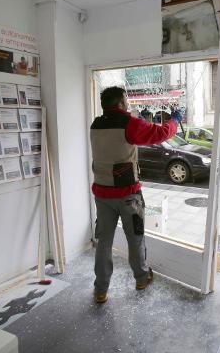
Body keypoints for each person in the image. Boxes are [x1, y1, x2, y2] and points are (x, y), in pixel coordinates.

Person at [90, 86, 182, 304]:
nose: (129, 104)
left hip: (102, 194)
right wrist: (175, 121)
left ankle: (100, 290)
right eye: (127, 100)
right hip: (128, 196)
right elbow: (159, 134)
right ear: (121, 104)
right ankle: (141, 278)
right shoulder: (129, 124)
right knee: (135, 238)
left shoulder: (96, 124)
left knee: (103, 241)